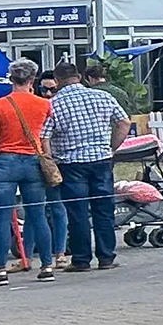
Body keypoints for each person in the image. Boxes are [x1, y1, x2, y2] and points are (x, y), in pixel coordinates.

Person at [47, 60, 130, 271]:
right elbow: (124, 122)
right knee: (103, 209)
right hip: (101, 159)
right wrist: (112, 147)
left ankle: (82, 259)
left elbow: (44, 136)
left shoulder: (54, 104)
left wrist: (49, 160)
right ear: (80, 76)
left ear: (57, 81)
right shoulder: (102, 96)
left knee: (78, 212)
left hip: (70, 162)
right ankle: (106, 256)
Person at [0, 60, 56, 281]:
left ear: (10, 80)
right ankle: (47, 266)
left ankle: (1, 270)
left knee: (2, 217)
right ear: (32, 80)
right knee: (37, 215)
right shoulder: (44, 105)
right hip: (33, 161)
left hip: (5, 163)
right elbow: (46, 134)